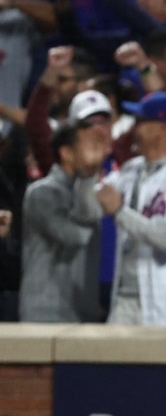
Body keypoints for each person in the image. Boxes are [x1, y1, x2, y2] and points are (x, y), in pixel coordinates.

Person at [73, 91, 166, 326]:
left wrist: (120, 212)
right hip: (125, 298)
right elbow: (86, 212)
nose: (132, 127)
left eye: (140, 121)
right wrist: (87, 175)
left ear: (162, 130)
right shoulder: (132, 169)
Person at [19, 124, 106, 323]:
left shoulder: (91, 189)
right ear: (66, 153)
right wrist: (88, 179)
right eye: (88, 144)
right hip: (45, 312)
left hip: (82, 312)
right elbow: (75, 236)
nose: (96, 150)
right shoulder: (42, 193)